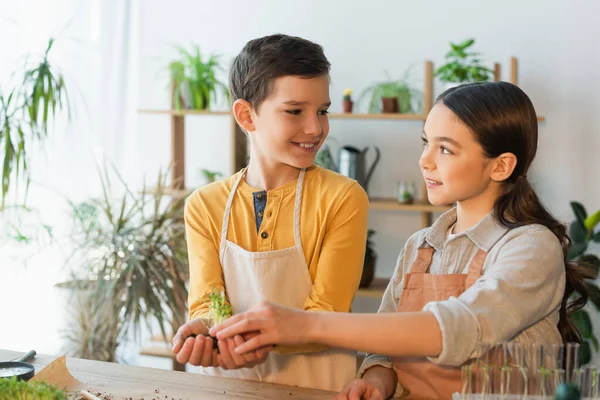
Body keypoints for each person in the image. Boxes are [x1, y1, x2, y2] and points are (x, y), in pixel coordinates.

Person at [209, 81, 589, 399]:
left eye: (445, 149)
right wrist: (377, 381)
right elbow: (385, 350)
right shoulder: (421, 246)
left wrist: (306, 325)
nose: (425, 160)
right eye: (426, 142)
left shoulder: (530, 246)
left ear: (501, 165)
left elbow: (458, 327)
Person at [171, 33, 369, 391]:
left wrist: (249, 340)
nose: (315, 128)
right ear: (247, 115)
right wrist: (202, 333)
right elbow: (207, 303)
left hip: (318, 390)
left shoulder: (343, 198)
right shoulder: (205, 205)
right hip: (226, 390)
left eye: (322, 111)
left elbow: (328, 312)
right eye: (295, 111)